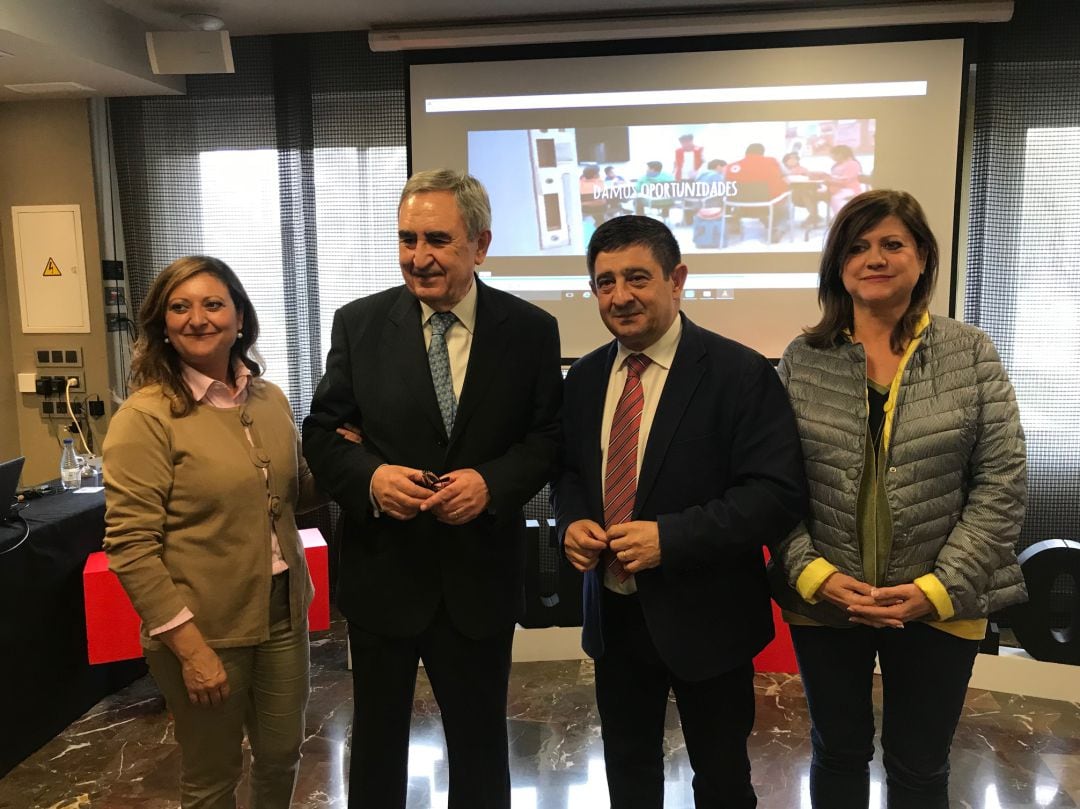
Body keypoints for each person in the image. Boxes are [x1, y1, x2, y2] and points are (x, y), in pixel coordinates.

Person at [302, 169, 562, 809]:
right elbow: (322, 432)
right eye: (407, 238)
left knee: (479, 746)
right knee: (377, 748)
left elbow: (549, 437)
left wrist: (491, 483)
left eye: (438, 239)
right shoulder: (359, 324)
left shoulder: (530, 330)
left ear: (481, 244)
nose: (419, 257)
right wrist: (371, 478)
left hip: (478, 576)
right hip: (385, 572)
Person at [771, 189, 1028, 809]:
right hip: (830, 601)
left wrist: (937, 589)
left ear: (921, 259)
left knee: (918, 766)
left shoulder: (970, 353)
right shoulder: (802, 361)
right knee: (837, 752)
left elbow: (1002, 480)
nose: (874, 258)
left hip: (943, 601)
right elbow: (773, 486)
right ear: (838, 265)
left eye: (892, 244)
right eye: (857, 247)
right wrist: (815, 574)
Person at [552, 215, 808, 809]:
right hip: (614, 616)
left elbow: (774, 494)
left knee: (721, 780)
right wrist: (571, 522)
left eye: (637, 277)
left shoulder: (740, 374)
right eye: (605, 282)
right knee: (628, 774)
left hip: (709, 619)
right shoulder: (586, 377)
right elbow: (569, 473)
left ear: (677, 279)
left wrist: (672, 538)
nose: (620, 296)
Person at [103, 255, 323, 809]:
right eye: (180, 307)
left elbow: (293, 495)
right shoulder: (146, 416)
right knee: (212, 776)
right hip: (202, 629)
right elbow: (130, 547)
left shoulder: (269, 399)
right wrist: (190, 648)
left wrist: (354, 456)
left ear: (240, 318)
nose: (197, 318)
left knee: (281, 755)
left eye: (212, 304)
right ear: (162, 325)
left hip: (281, 612)